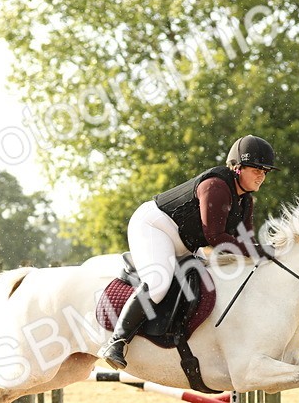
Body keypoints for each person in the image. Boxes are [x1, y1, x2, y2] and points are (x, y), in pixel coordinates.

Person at [97, 135, 277, 370]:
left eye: (265, 171)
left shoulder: (246, 202)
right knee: (158, 283)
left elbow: (246, 242)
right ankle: (116, 342)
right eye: (257, 169)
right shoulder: (216, 186)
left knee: (210, 281)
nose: (262, 175)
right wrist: (259, 251)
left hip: (185, 242)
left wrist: (266, 254)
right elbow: (214, 237)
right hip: (154, 226)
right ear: (237, 167)